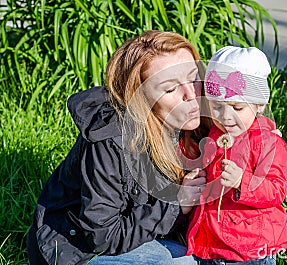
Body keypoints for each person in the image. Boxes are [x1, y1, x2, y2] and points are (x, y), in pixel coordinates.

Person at [26, 30, 212, 265]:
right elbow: (102, 236)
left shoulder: (198, 120)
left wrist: (261, 142)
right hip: (77, 251)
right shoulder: (112, 140)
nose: (190, 95)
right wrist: (176, 205)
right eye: (170, 88)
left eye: (193, 77)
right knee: (183, 262)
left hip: (142, 237)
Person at [186, 46, 287, 265]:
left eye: (237, 107)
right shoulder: (214, 135)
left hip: (249, 249)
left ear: (259, 105)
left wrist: (241, 182)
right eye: (217, 107)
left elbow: (277, 189)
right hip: (212, 244)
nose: (226, 117)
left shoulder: (267, 142)